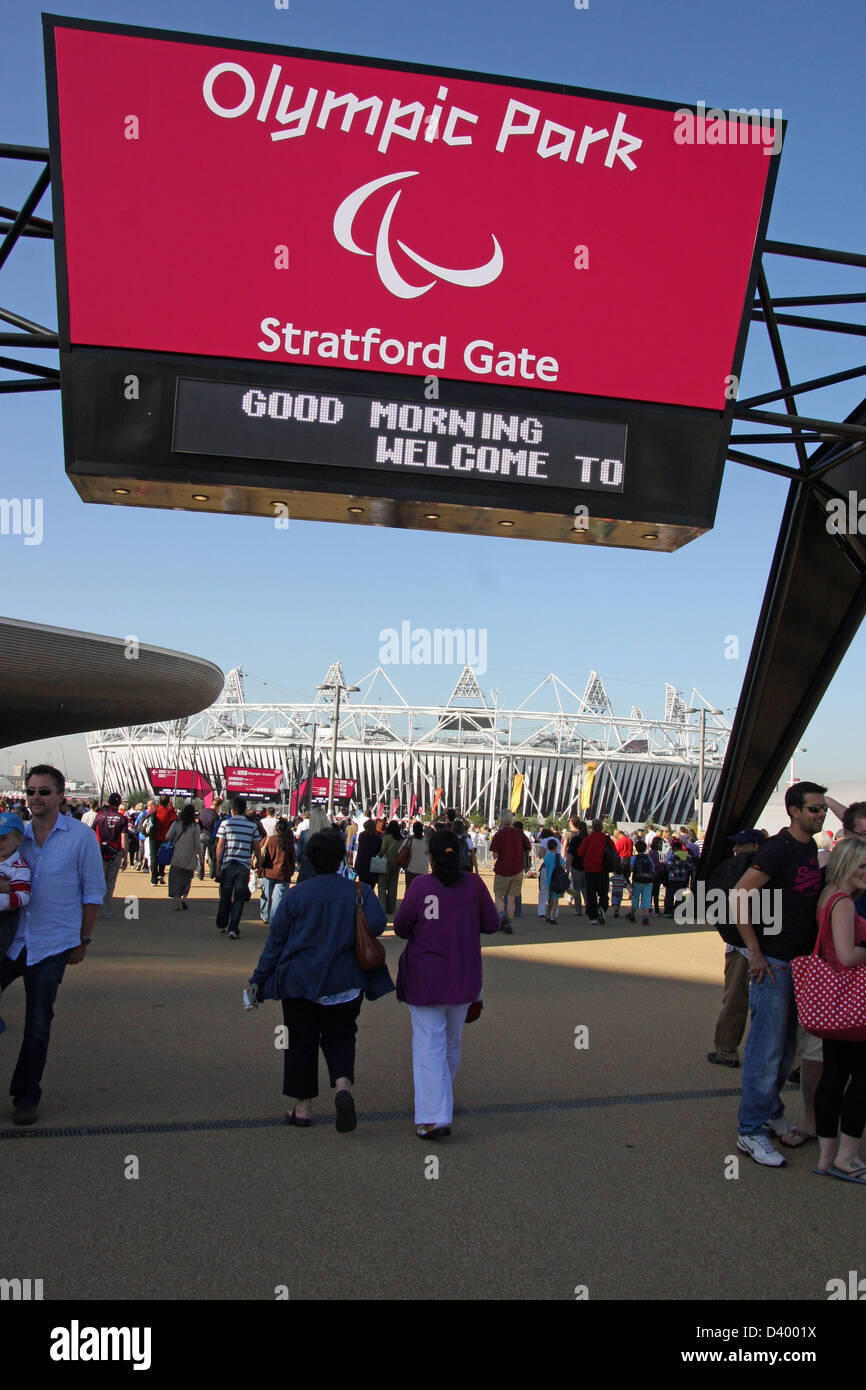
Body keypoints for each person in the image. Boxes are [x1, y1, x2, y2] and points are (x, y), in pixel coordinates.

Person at [248, 830, 393, 1130]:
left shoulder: (296, 895)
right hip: (346, 982)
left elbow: (275, 942)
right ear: (342, 857)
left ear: (309, 858)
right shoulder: (359, 891)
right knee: (341, 1036)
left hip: (300, 981)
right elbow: (378, 924)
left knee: (300, 1040)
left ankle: (302, 1109)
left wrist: (258, 979)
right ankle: (343, 1088)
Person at [0, 766, 105, 1125]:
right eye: (31, 791)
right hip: (13, 942)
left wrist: (84, 939)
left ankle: (25, 1097)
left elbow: (93, 893)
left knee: (37, 1023)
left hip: (53, 944)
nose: (35, 798)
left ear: (62, 796)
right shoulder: (17, 837)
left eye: (44, 792)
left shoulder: (80, 837)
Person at [733, 782, 826, 1166]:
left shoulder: (810, 850)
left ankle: (770, 1113)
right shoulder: (778, 849)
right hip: (773, 964)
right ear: (793, 811)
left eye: (822, 809)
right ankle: (749, 1131)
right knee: (765, 1051)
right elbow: (739, 894)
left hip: (799, 965)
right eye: (814, 809)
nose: (820, 815)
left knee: (786, 1049)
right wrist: (754, 952)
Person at [393, 828, 500, 1137]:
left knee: (428, 1044)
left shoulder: (421, 886)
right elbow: (492, 924)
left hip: (425, 977)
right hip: (463, 976)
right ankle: (440, 1099)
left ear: (431, 856)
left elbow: (401, 927)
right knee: (451, 1043)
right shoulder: (474, 885)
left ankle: (434, 1115)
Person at [811, 836, 866, 1181]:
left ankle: (826, 1156)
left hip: (834, 1002)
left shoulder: (829, 896)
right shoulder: (844, 902)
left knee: (833, 1075)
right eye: (862, 866)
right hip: (853, 1000)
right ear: (846, 865)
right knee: (861, 1078)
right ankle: (848, 1156)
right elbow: (847, 955)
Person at [705, 830, 763, 1067]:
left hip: (739, 944)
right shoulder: (774, 869)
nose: (736, 849)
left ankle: (726, 1050)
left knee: (734, 999)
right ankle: (784, 1058)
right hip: (771, 942)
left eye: (741, 844)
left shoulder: (731, 869)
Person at [0, 812, 31, 1039]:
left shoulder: (19, 866)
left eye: (4, 838)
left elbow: (22, 897)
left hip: (4, 925)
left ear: (18, 840)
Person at [215, 798, 264, 939]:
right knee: (239, 898)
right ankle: (233, 928)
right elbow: (257, 847)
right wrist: (259, 864)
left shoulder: (225, 824)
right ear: (244, 810)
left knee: (225, 895)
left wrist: (218, 865)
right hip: (243, 866)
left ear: (231, 810)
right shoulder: (251, 826)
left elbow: (220, 846)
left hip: (228, 864)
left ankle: (222, 922)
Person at [92, 792, 129, 919]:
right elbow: (124, 838)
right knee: (110, 881)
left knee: (98, 881)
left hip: (99, 852)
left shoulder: (99, 816)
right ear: (119, 804)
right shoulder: (122, 818)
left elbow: (91, 834)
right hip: (115, 852)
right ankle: (105, 909)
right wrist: (125, 857)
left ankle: (94, 908)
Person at [489, 809, 524, 935]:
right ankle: (509, 921)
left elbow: (495, 855)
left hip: (503, 869)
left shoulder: (499, 835)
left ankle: (501, 916)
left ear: (501, 820)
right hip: (517, 869)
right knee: (511, 898)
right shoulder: (518, 834)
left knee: (498, 896)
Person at [258, 817, 296, 922]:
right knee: (278, 899)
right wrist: (291, 870)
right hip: (283, 873)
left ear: (276, 829)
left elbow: (259, 853)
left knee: (266, 896)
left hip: (267, 871)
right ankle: (274, 919)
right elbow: (292, 859)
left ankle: (265, 916)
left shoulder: (268, 840)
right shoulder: (289, 843)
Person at [165, 804, 200, 910]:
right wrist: (200, 857)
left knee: (175, 879)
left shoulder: (177, 824)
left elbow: (167, 836)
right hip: (190, 856)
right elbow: (197, 844)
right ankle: (184, 897)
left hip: (177, 855)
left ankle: (176, 901)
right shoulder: (195, 826)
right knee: (187, 879)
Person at [577, 819, 612, 925]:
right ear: (602, 828)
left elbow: (580, 853)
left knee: (591, 894)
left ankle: (593, 917)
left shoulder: (588, 839)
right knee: (603, 893)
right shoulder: (607, 839)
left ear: (592, 827)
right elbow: (613, 851)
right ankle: (602, 908)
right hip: (603, 870)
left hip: (590, 870)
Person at [377, 820, 403, 918]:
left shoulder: (387, 837)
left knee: (382, 886)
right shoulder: (401, 839)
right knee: (393, 886)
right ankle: (391, 907)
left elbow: (383, 850)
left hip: (385, 863)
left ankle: (382, 907)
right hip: (396, 864)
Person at [626, 838, 654, 926]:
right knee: (646, 898)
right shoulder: (648, 857)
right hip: (648, 880)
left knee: (635, 897)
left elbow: (631, 868)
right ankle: (646, 916)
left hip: (638, 880)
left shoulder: (635, 857)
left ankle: (632, 915)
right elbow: (653, 868)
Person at [353, 819, 383, 889]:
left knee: (362, 885)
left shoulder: (362, 836)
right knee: (371, 886)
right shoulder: (377, 838)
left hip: (362, 863)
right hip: (373, 864)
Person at [197, 798, 221, 880]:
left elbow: (199, 823)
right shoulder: (215, 815)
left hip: (201, 835)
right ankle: (212, 873)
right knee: (212, 856)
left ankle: (200, 874)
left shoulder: (203, 811)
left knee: (201, 856)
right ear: (218, 806)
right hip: (211, 837)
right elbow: (216, 828)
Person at [543, 837, 565, 923]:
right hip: (556, 879)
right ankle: (553, 916)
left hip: (549, 879)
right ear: (556, 847)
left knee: (550, 899)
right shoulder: (557, 857)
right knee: (556, 899)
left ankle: (547, 914)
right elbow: (563, 865)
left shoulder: (546, 857)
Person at [402, 821, 430, 887]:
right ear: (422, 830)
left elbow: (400, 851)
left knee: (409, 891)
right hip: (423, 870)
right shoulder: (426, 841)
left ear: (413, 830)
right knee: (422, 892)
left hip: (411, 870)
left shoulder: (409, 840)